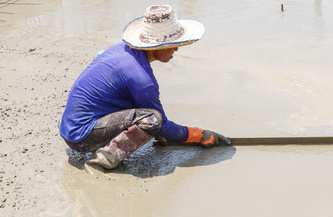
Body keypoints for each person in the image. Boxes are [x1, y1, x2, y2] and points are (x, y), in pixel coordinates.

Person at [59, 5, 230, 169]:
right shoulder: (142, 79)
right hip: (81, 136)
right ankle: (106, 158)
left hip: (70, 125)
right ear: (158, 45)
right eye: (173, 44)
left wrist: (161, 133)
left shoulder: (120, 50)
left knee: (146, 115)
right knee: (152, 119)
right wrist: (199, 135)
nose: (177, 49)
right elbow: (160, 123)